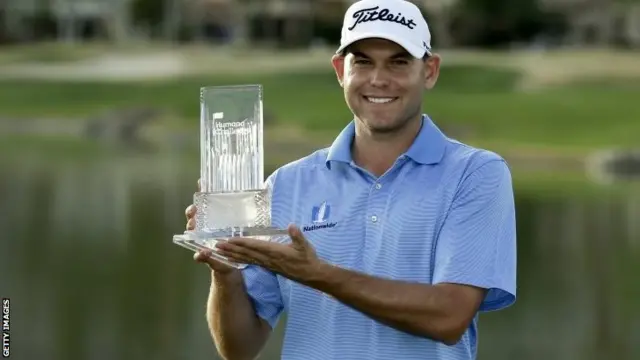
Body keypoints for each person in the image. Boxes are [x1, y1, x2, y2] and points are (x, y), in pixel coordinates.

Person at [186, 0, 517, 359]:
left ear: (430, 71)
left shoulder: (476, 173)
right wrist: (226, 274)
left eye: (399, 62)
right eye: (363, 61)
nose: (378, 79)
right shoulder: (285, 184)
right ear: (340, 70)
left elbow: (449, 316)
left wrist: (318, 274)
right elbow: (238, 348)